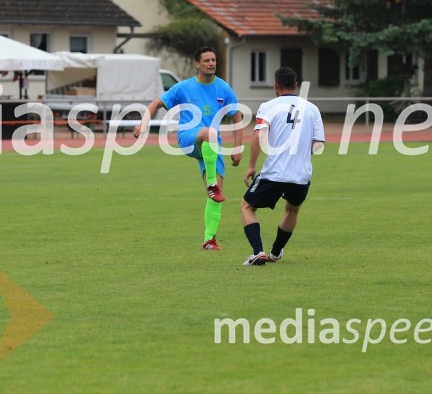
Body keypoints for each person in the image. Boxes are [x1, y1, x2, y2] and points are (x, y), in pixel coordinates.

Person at [133, 46, 243, 250]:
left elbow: (237, 116)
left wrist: (238, 148)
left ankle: (209, 239)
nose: (212, 63)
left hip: (212, 146)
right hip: (188, 138)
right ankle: (212, 186)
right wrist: (143, 123)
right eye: (207, 60)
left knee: (217, 197)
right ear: (197, 64)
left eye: (214, 60)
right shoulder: (183, 87)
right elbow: (155, 104)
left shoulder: (223, 88)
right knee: (209, 133)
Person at [240, 67, 325, 265]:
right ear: (295, 85)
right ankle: (276, 252)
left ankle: (258, 252)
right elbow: (319, 144)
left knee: (247, 206)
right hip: (301, 175)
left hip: (274, 173)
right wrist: (303, 151)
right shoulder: (312, 108)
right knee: (292, 211)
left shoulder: (268, 106)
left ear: (276, 86)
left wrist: (251, 166)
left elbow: (258, 136)